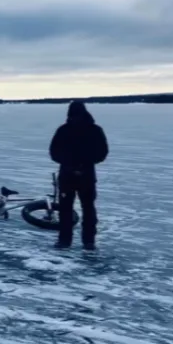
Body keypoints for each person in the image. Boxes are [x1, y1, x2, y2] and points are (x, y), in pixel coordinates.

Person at [48, 100, 108, 250]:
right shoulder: (68, 130)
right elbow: (54, 152)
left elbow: (102, 152)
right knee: (78, 209)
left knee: (78, 209)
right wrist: (76, 165)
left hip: (79, 175)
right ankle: (79, 241)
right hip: (75, 174)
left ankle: (74, 241)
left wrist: (78, 164)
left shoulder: (90, 130)